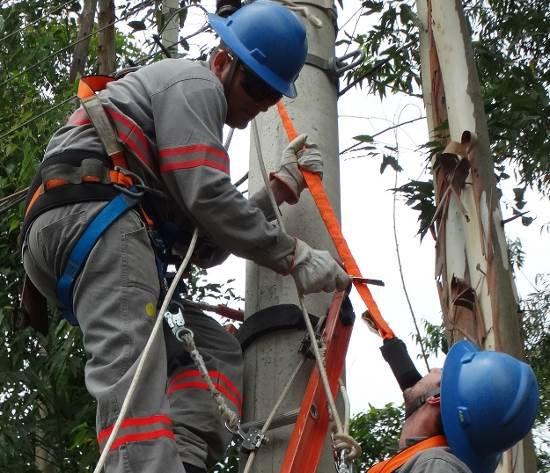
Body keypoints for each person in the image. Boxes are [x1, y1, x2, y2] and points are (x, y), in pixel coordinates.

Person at [19, 1, 350, 472]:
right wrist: (293, 254)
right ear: (221, 60)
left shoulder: (185, 118)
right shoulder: (194, 84)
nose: (256, 104)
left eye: (270, 97)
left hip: (94, 229)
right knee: (133, 378)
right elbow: (209, 199)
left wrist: (278, 190)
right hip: (95, 218)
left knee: (213, 352)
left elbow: (207, 242)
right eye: (254, 85)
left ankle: (184, 462)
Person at [368, 340, 539, 473]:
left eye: (442, 372)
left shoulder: (435, 465)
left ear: (436, 399)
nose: (434, 369)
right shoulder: (419, 463)